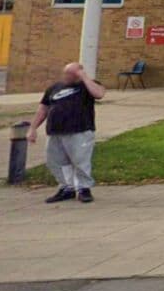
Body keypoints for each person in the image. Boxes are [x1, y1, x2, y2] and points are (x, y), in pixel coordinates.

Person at [27, 62, 105, 202]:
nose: (67, 76)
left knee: (80, 160)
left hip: (79, 130)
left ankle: (83, 188)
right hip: (55, 131)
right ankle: (66, 187)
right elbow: (43, 109)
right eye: (66, 73)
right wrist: (33, 128)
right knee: (56, 161)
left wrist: (84, 77)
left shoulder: (87, 86)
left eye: (71, 73)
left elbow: (99, 94)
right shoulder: (54, 88)